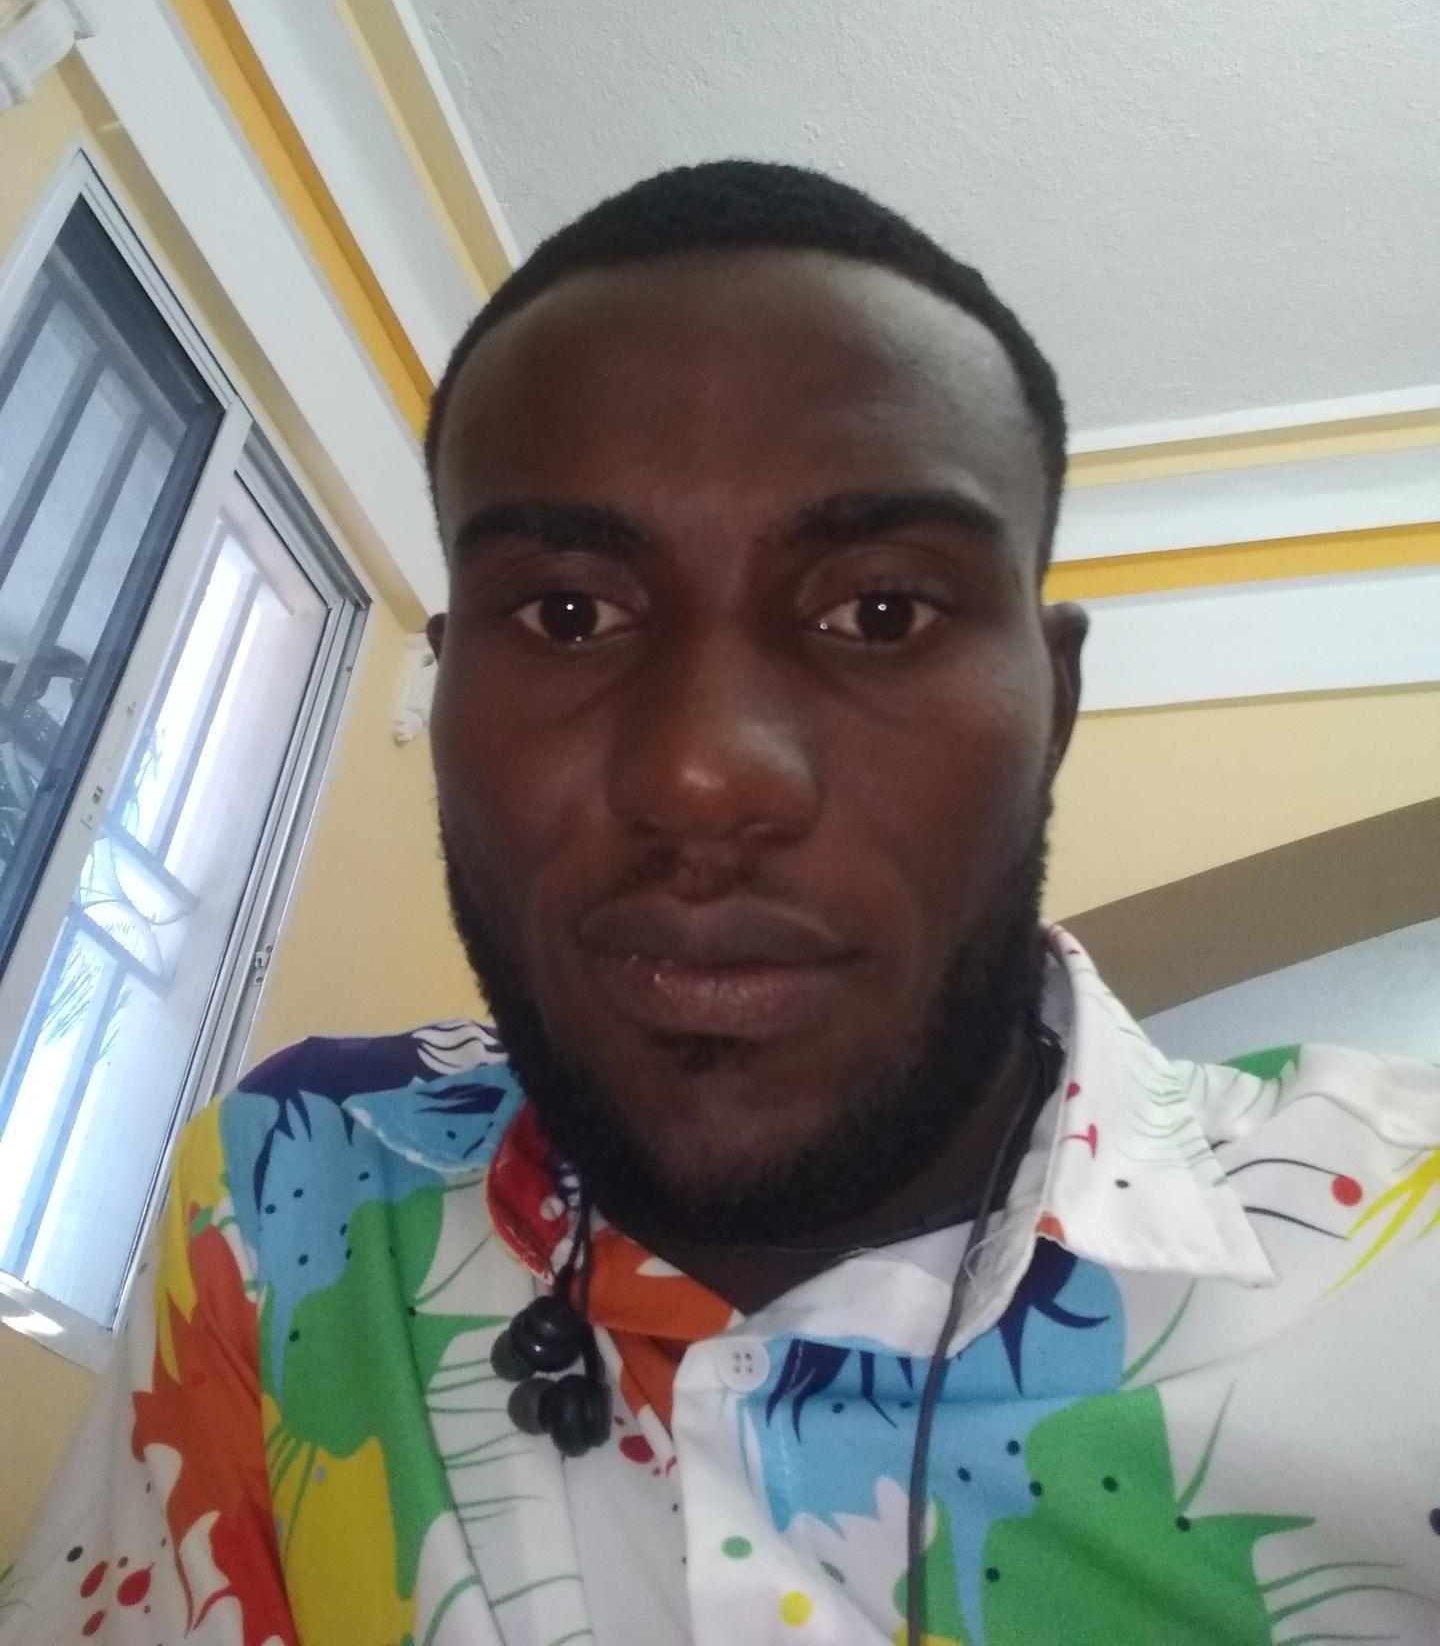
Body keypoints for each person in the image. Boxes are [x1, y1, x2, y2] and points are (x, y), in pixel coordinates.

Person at [4, 161, 1438, 1646]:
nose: (701, 774)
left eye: (880, 611)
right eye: (569, 613)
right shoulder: (293, 1195)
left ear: (1054, 705)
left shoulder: (1405, 1281)